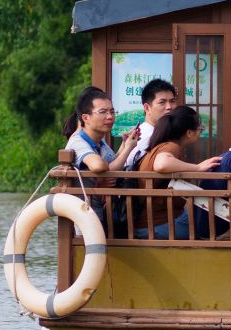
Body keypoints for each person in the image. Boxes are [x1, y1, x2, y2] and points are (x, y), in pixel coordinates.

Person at [137, 106, 221, 239]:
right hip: (157, 225)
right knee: (208, 223)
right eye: (200, 129)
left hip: (146, 224)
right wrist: (197, 168)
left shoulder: (160, 146)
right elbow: (161, 164)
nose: (200, 132)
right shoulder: (171, 147)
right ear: (189, 133)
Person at [64, 88, 141, 218]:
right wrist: (100, 178)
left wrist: (124, 145)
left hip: (101, 211)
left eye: (112, 112)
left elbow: (112, 163)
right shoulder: (78, 141)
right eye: (103, 112)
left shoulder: (99, 139)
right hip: (84, 214)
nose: (110, 117)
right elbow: (99, 166)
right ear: (86, 117)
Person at [128, 79, 178, 165]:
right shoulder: (145, 138)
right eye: (162, 102)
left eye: (172, 101)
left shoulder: (161, 134)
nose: (169, 107)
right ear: (147, 108)